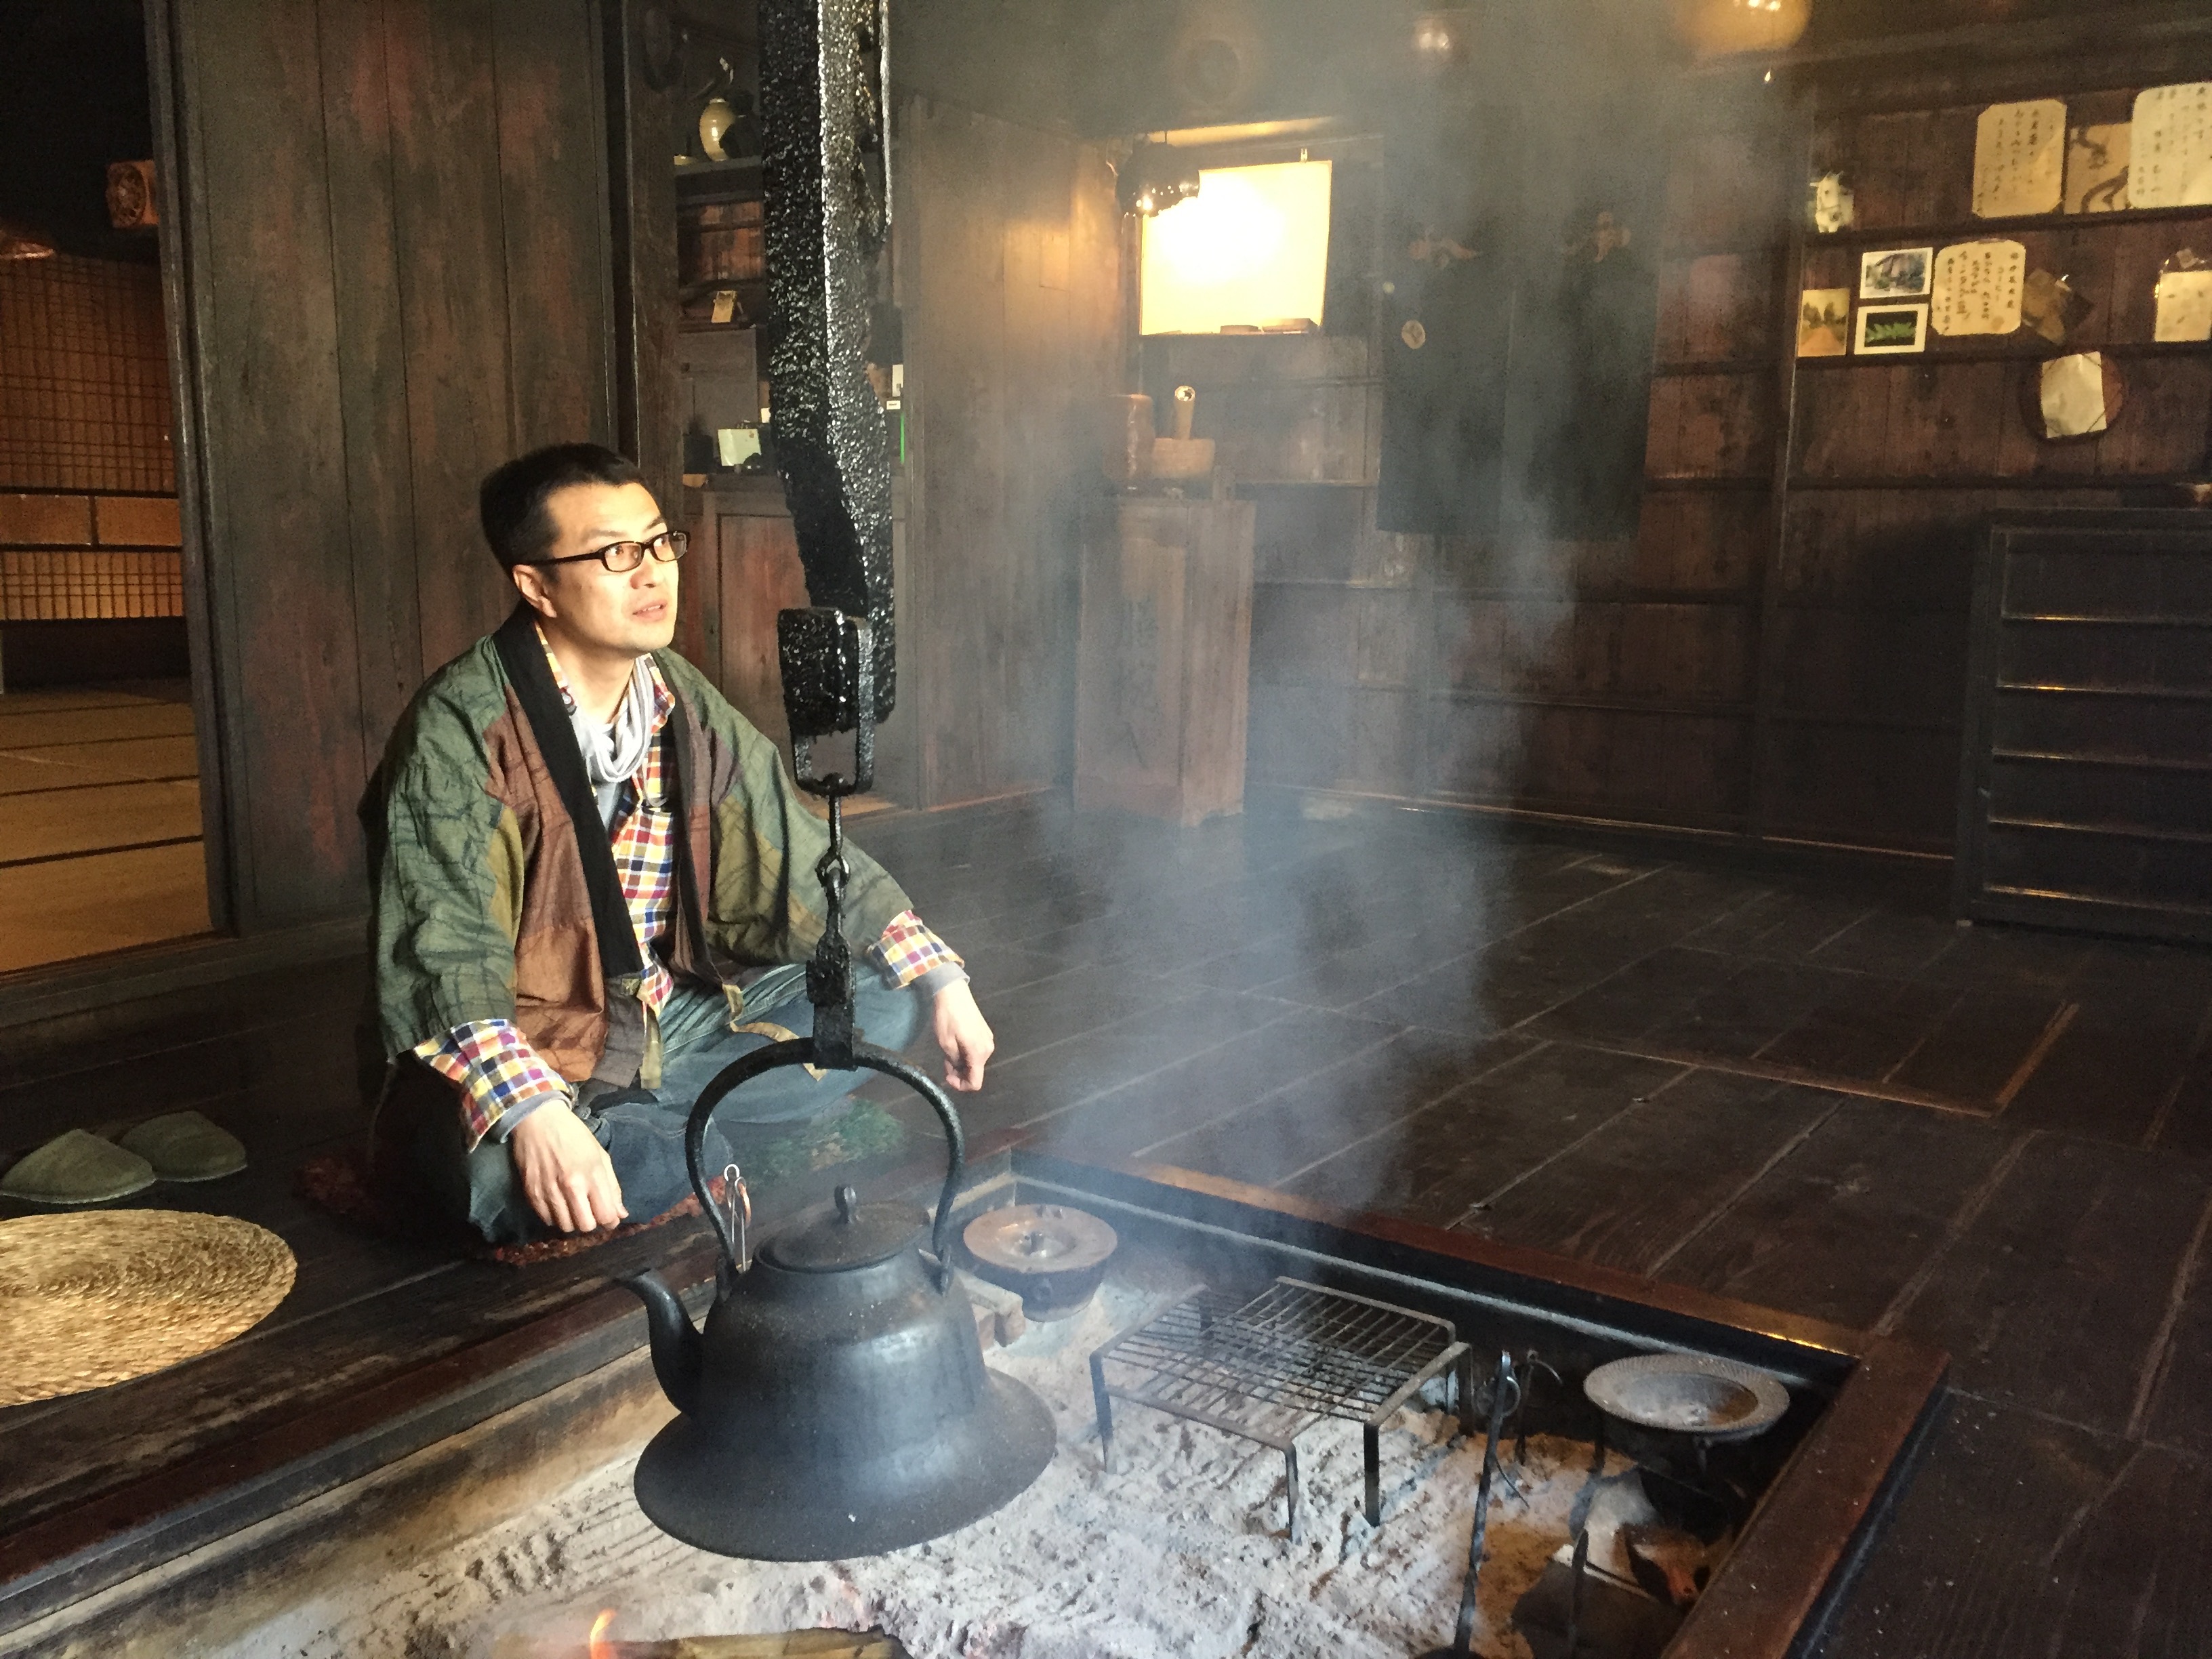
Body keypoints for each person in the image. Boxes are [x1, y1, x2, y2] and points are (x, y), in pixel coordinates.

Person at [362, 443, 993, 1244]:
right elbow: (443, 950)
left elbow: (793, 848)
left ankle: (644, 1132)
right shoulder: (458, 729)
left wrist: (941, 976)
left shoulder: (674, 693)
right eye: (616, 554)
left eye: (660, 543)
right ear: (536, 585)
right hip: (536, 1043)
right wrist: (533, 1113)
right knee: (491, 1176)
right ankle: (626, 1132)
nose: (654, 573)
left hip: (665, 1024)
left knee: (881, 996)